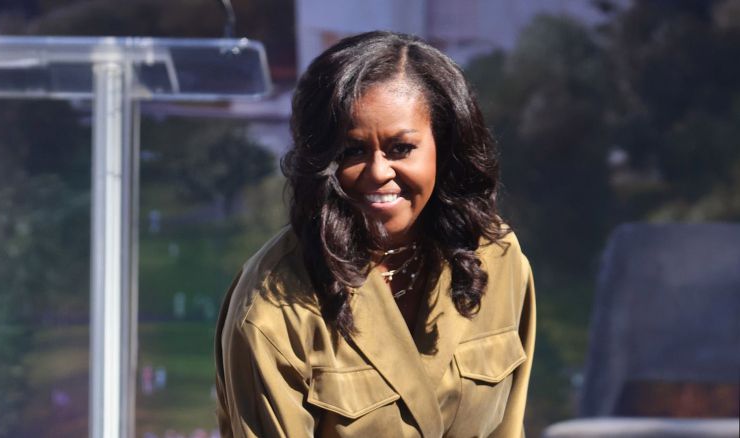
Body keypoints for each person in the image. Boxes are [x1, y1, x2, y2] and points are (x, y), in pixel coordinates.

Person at [214, 31, 535, 438]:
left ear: (444, 147)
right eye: (352, 151)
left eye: (401, 148)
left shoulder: (498, 259)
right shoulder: (272, 310)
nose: (379, 172)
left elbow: (508, 425)